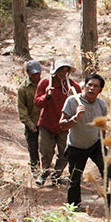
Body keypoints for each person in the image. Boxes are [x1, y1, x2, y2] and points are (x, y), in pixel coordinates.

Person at [59, 73, 111, 214]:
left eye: (95, 86)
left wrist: (103, 144)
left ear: (100, 90)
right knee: (74, 178)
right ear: (84, 86)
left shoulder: (101, 104)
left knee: (108, 171)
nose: (91, 88)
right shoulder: (72, 101)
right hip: (76, 145)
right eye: (89, 85)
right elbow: (62, 125)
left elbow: (102, 126)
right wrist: (75, 117)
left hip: (95, 145)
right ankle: (73, 206)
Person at [34, 58, 81, 187]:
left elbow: (80, 104)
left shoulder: (73, 87)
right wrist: (46, 97)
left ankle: (57, 176)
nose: (63, 73)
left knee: (65, 153)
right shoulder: (45, 84)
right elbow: (37, 102)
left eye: (66, 70)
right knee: (46, 151)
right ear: (55, 71)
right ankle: (44, 173)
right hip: (47, 124)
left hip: (65, 126)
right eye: (61, 70)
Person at [17, 60, 42, 174]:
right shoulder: (23, 89)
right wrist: (30, 124)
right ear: (28, 73)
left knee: (47, 148)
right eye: (33, 74)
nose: (36, 76)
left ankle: (47, 169)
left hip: (46, 122)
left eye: (38, 73)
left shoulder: (46, 84)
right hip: (32, 123)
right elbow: (22, 110)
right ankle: (35, 170)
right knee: (33, 148)